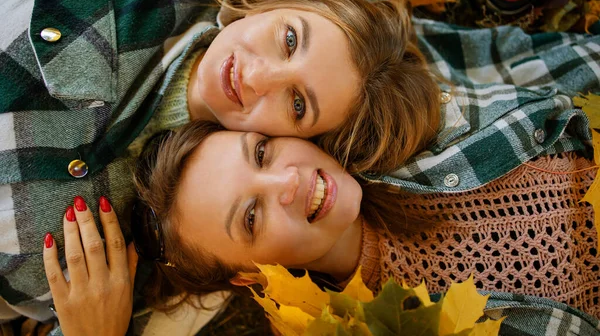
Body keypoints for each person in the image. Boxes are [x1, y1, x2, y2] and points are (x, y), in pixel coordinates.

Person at [0, 0, 440, 323]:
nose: (257, 76)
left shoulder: (185, 235)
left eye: (298, 103)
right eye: (289, 40)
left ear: (304, 140)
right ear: (274, 7)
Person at [43, 121, 600, 336]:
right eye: (252, 217)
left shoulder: (411, 126)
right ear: (246, 277)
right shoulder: (367, 329)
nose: (287, 179)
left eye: (260, 151)